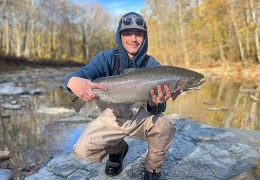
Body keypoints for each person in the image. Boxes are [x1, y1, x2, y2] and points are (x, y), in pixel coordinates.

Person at [64, 12, 176, 180]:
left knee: (165, 126)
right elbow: (81, 75)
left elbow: (159, 108)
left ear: (144, 38)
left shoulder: (152, 65)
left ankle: (152, 169)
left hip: (142, 117)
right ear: (119, 35)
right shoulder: (106, 59)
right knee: (83, 152)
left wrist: (155, 103)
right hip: (112, 117)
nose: (133, 38)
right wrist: (71, 81)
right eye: (127, 33)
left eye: (138, 34)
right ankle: (118, 150)